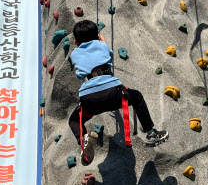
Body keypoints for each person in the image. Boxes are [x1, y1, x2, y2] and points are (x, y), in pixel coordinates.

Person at [69, 20, 169, 165]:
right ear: (97, 36)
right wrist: (99, 35)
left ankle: (83, 141)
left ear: (76, 41)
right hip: (113, 94)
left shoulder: (74, 55)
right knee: (137, 97)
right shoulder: (102, 46)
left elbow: (82, 70)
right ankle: (151, 132)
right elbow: (103, 53)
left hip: (89, 99)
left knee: (74, 120)